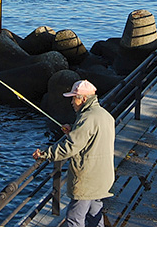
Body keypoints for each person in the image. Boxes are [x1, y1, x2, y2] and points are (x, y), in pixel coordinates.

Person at [33, 79, 115, 227]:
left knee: (74, 218)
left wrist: (45, 154)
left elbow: (69, 147)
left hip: (87, 180)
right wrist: (73, 129)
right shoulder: (105, 115)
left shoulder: (87, 118)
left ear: (83, 99)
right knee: (95, 216)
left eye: (73, 98)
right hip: (103, 178)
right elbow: (92, 138)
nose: (71, 102)